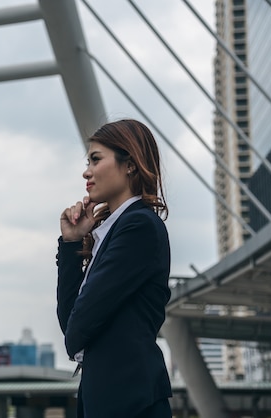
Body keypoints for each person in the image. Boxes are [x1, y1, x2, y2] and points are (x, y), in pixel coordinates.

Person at [57, 119, 172, 417]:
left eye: (96, 159)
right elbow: (71, 320)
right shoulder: (111, 231)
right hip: (110, 399)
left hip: (130, 401)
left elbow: (82, 320)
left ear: (130, 164)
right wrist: (71, 244)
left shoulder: (139, 226)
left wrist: (74, 336)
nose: (87, 171)